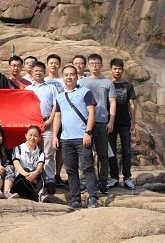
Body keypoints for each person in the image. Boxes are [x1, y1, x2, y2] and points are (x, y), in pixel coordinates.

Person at [53, 65, 99, 209]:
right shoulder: (60, 96)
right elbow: (57, 117)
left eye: (72, 74)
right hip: (66, 138)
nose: (69, 77)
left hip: (82, 136)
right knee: (70, 170)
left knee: (87, 167)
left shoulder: (85, 92)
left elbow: (92, 112)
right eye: (66, 75)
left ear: (76, 76)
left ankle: (92, 197)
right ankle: (75, 198)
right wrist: (55, 136)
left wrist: (88, 132)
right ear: (63, 77)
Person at [79, 53, 117, 193]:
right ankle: (86, 181)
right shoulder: (82, 82)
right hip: (85, 122)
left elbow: (112, 103)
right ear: (88, 65)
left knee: (103, 154)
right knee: (85, 154)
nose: (94, 66)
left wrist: (111, 121)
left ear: (101, 65)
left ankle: (102, 182)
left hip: (102, 121)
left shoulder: (108, 83)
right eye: (92, 63)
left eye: (97, 63)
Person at [25, 61, 59, 197]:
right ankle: (35, 177)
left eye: (40, 71)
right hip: (32, 125)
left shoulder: (51, 87)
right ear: (31, 73)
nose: (38, 73)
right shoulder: (28, 89)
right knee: (33, 151)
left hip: (47, 123)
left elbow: (56, 105)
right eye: (36, 71)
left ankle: (50, 179)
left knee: (48, 152)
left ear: (44, 72)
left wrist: (50, 119)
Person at [109, 58, 138, 190]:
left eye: (119, 69)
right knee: (112, 151)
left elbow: (132, 105)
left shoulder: (128, 86)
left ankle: (127, 178)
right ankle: (114, 177)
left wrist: (133, 124)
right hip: (111, 123)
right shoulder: (108, 85)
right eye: (115, 68)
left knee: (126, 151)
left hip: (125, 123)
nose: (117, 71)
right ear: (111, 70)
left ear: (122, 70)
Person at [44, 53, 65, 187]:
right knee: (47, 148)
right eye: (51, 63)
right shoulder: (43, 80)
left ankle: (57, 174)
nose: (53, 65)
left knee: (59, 147)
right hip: (48, 118)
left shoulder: (63, 80)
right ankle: (45, 174)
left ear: (59, 65)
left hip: (63, 117)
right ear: (47, 65)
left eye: (56, 63)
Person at [12, 125, 46, 202]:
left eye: (35, 136)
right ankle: (38, 193)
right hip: (20, 180)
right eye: (30, 135)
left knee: (39, 173)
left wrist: (34, 174)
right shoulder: (18, 149)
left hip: (33, 181)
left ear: (39, 137)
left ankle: (41, 194)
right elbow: (16, 164)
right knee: (26, 170)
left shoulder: (41, 153)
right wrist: (27, 175)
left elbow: (40, 166)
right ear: (26, 135)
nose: (32, 138)